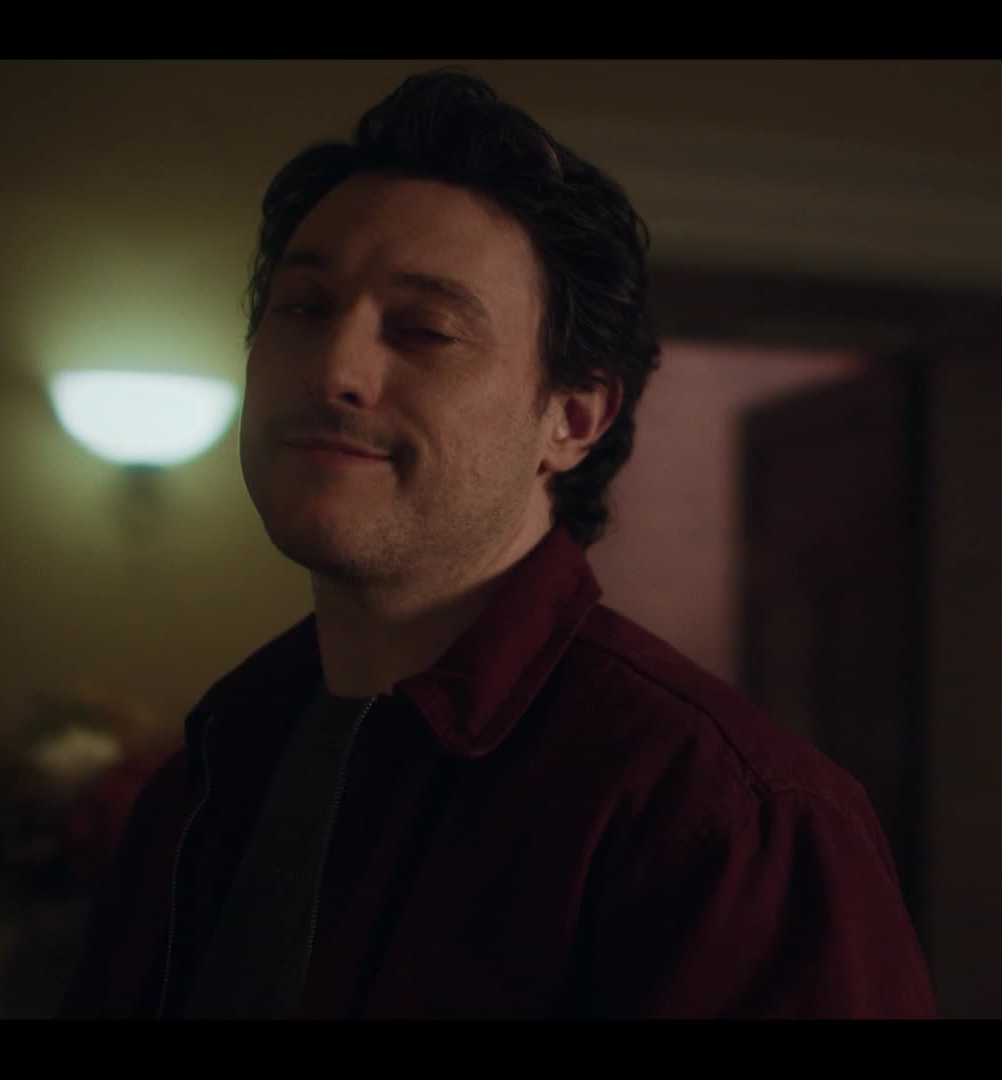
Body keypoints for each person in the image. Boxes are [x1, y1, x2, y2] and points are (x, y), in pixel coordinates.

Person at [57, 68, 937, 1019]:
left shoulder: (727, 817)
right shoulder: (213, 765)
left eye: (425, 329)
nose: (335, 367)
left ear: (573, 418)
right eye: (304, 307)